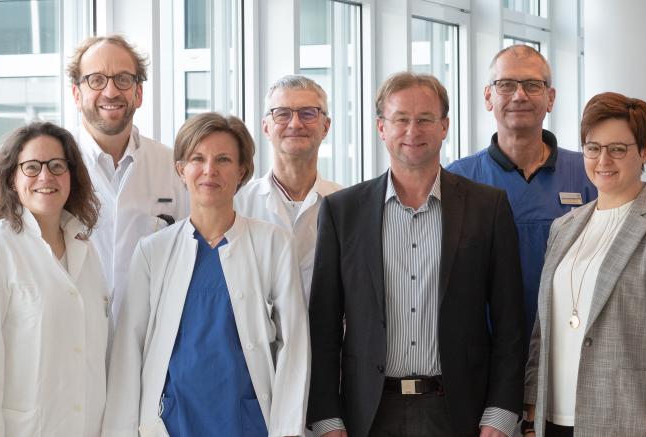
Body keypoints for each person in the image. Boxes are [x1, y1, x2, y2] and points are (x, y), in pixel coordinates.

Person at [307, 72, 525, 437]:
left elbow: (510, 324)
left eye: (425, 119)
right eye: (401, 119)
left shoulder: (487, 207)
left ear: (444, 126)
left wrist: (500, 413)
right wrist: (327, 418)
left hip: (459, 411)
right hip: (369, 414)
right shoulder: (342, 211)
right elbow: (324, 326)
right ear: (381, 127)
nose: (413, 130)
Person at [104, 113, 309, 437]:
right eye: (197, 159)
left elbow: (294, 344)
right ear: (180, 169)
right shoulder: (153, 251)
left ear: (242, 171)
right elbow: (129, 349)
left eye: (223, 159)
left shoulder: (273, 244)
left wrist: (286, 430)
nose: (209, 170)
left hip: (247, 421)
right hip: (172, 421)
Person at [524, 92, 646, 437]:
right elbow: (542, 331)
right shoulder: (564, 227)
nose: (603, 159)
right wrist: (532, 416)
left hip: (631, 423)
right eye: (593, 148)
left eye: (618, 149)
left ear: (645, 151)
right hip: (555, 422)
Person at [0, 122, 108, 436]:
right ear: (12, 178)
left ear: (72, 177)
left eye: (57, 166)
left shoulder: (86, 250)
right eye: (31, 167)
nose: (46, 177)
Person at [447, 45, 596, 338]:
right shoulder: (458, 179)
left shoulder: (587, 173)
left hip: (571, 343)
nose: (519, 95)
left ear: (550, 98)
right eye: (506, 85)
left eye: (532, 85)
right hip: (486, 353)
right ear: (488, 97)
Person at [67, 35, 189, 324]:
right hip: (73, 340)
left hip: (149, 341)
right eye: (96, 80)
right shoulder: (54, 169)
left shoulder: (173, 168)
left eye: (123, 79)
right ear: (76, 94)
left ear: (138, 93)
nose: (110, 91)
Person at [235, 75, 342, 300]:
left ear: (326, 127)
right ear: (266, 127)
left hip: (326, 335)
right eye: (282, 114)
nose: (295, 123)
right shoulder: (238, 205)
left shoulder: (346, 205)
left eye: (308, 113)